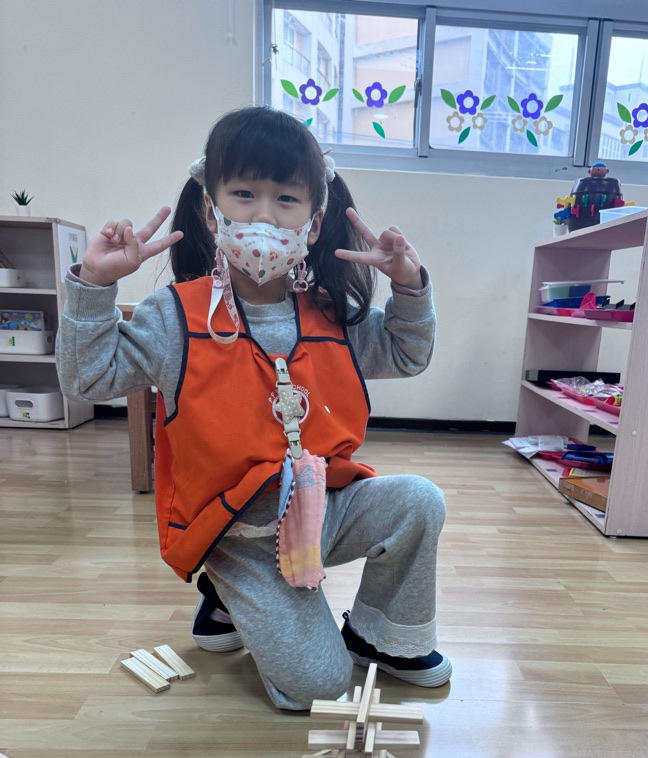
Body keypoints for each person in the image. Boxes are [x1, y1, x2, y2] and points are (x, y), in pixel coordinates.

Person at [57, 105, 451, 711]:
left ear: (313, 225)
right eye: (243, 194)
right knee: (318, 687)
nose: (264, 215)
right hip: (238, 532)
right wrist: (93, 286)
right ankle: (226, 590)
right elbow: (88, 377)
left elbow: (407, 353)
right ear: (210, 210)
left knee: (419, 500)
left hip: (323, 509)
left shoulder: (333, 312)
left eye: (286, 199)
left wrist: (409, 285)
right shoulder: (174, 316)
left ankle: (382, 638)